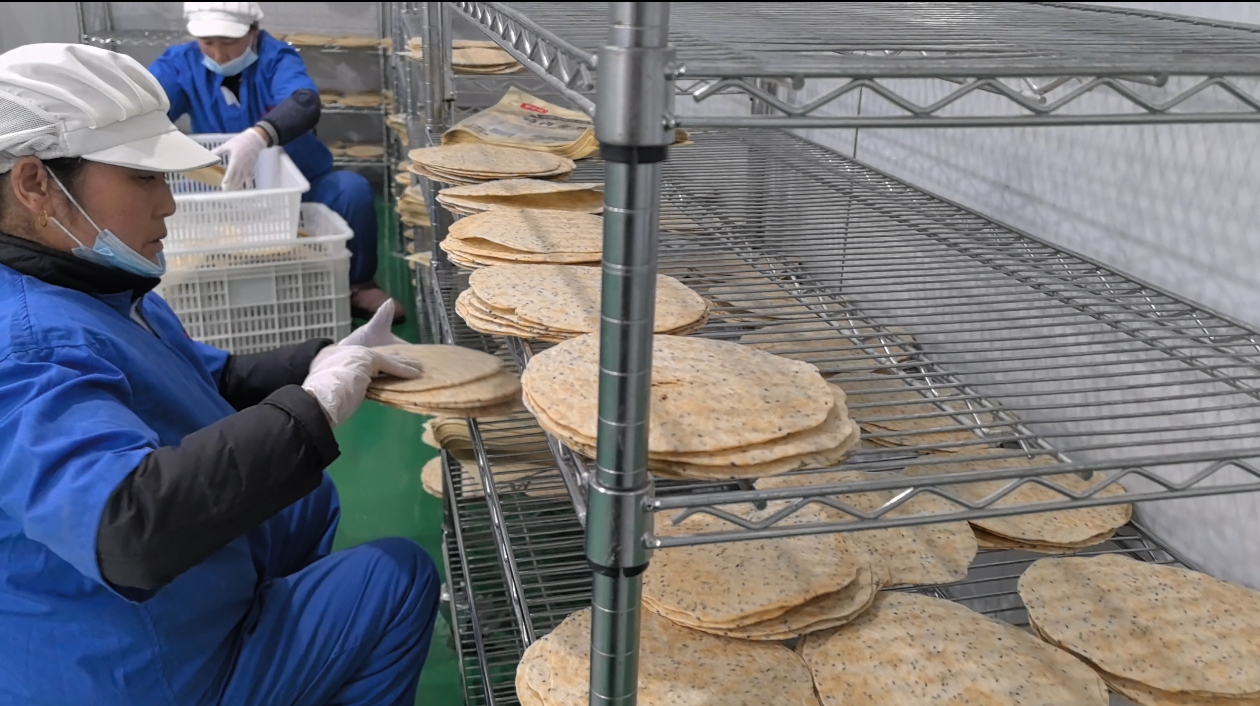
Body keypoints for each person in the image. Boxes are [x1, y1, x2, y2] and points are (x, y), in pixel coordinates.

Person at [0, 44, 438, 706]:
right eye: (142, 178)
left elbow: (206, 376)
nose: (168, 204)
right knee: (397, 577)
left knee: (306, 503)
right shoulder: (26, 343)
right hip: (130, 667)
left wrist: (321, 359)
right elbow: (125, 528)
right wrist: (316, 407)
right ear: (35, 184)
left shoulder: (98, 284)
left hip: (144, 620)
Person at [149, 1, 403, 323]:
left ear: (253, 31)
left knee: (351, 191)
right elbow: (148, 107)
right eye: (207, 42)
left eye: (229, 41)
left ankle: (358, 285)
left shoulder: (276, 58)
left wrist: (259, 137)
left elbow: (304, 102)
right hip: (223, 189)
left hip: (299, 188)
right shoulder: (180, 63)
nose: (218, 54)